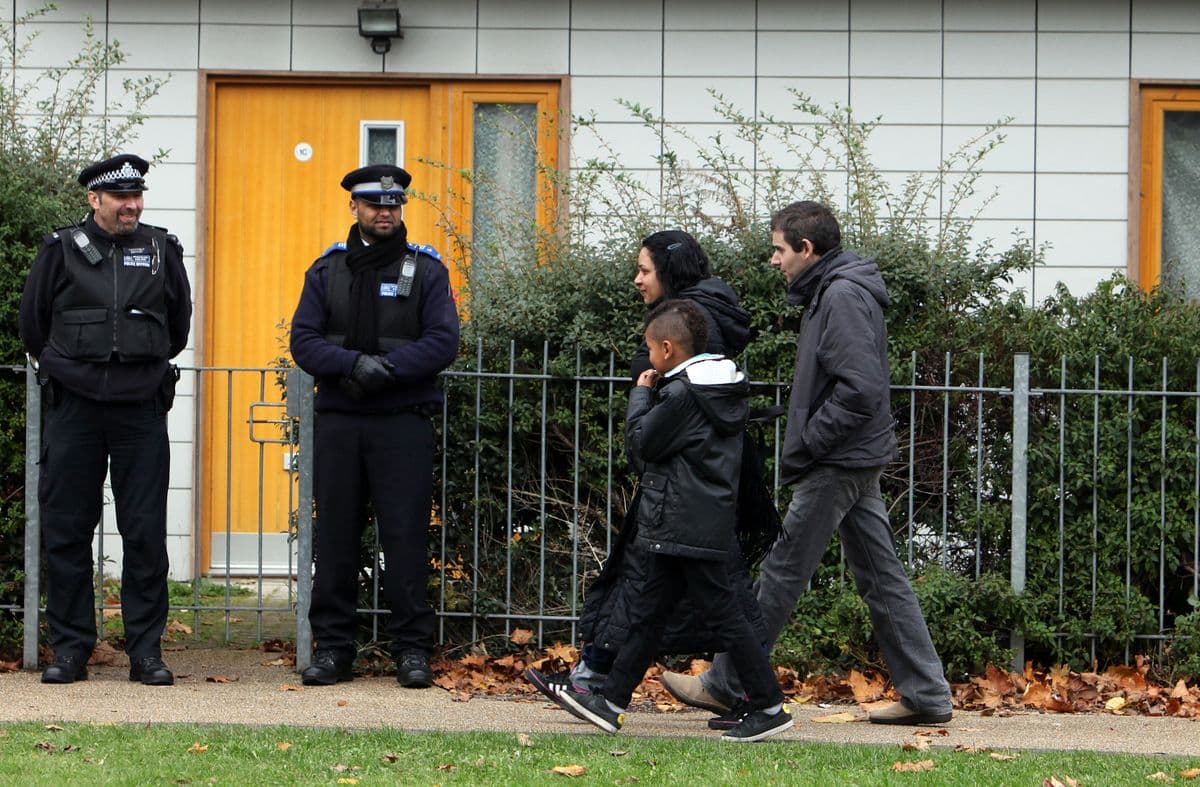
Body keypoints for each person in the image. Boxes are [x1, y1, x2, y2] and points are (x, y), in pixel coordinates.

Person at [659, 201, 954, 726]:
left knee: (782, 569)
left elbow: (860, 389)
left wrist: (810, 441)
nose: (774, 260)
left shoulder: (839, 295)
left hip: (838, 458)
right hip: (851, 455)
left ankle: (728, 681)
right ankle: (927, 692)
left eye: (778, 249)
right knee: (880, 577)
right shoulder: (834, 291)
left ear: (806, 249)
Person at [525, 232, 777, 728]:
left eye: (644, 269)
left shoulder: (684, 383)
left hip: (684, 512)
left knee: (707, 610)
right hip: (685, 510)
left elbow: (645, 443)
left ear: (669, 348)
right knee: (650, 607)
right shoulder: (710, 365)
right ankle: (608, 697)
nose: (638, 279)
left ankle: (764, 702)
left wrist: (642, 397)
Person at [20, 153, 192, 686]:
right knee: (68, 530)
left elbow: (178, 325)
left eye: (137, 196)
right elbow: (33, 324)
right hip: (74, 410)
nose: (132, 206)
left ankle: (146, 653)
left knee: (144, 532)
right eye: (121, 198)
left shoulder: (161, 249)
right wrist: (66, 370)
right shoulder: (61, 250)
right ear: (95, 200)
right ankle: (71, 649)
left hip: (140, 410)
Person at [289, 164, 460, 688]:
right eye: (374, 205)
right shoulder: (326, 271)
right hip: (341, 421)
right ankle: (335, 650)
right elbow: (304, 340)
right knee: (337, 538)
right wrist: (349, 365)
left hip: (401, 421)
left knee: (405, 536)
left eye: (393, 205)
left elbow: (442, 341)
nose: (385, 213)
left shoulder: (427, 271)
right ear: (355, 208)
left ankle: (411, 651)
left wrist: (387, 370)